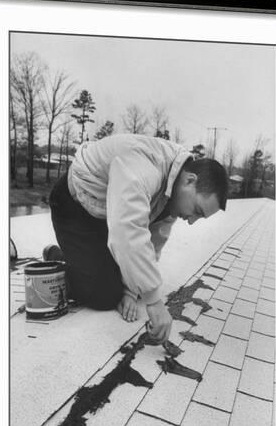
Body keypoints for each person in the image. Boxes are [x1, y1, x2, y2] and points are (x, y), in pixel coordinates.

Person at [45, 133, 228, 345]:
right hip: (74, 207)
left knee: (133, 282)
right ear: (190, 180)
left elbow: (151, 244)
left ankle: (80, 260)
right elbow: (127, 230)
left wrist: (131, 292)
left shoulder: (174, 189)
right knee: (103, 295)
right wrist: (154, 302)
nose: (192, 221)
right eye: (197, 210)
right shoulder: (143, 167)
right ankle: (56, 258)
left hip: (106, 215)